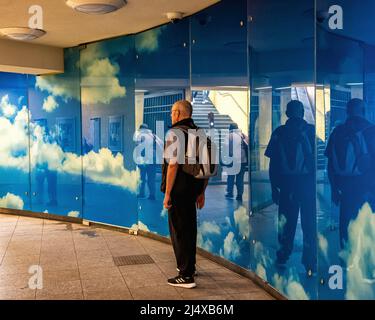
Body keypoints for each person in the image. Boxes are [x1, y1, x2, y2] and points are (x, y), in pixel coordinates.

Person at [265, 100, 317, 275]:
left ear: (287, 113)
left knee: (286, 221)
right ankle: (309, 260)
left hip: (287, 185)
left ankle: (283, 255)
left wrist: (274, 188)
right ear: (302, 112)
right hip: (307, 183)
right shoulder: (310, 131)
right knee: (309, 222)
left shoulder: (279, 132)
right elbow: (316, 161)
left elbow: (272, 164)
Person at [161, 100, 209, 289]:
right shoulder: (200, 133)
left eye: (172, 112)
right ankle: (191, 267)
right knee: (190, 229)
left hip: (178, 191)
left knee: (179, 231)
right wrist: (202, 192)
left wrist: (167, 194)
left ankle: (185, 275)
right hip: (193, 191)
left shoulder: (174, 133)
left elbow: (172, 165)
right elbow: (207, 167)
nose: (171, 115)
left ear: (178, 113)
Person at [325, 98, 375, 249]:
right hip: (368, 185)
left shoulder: (337, 132)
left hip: (344, 186)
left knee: (345, 220)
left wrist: (334, 189)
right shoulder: (371, 130)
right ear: (364, 111)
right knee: (368, 221)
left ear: (347, 112)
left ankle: (346, 256)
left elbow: (330, 165)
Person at [134, 124, 162, 200]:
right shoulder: (154, 136)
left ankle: (141, 193)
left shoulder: (140, 136)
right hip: (152, 161)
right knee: (151, 178)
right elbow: (161, 145)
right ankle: (152, 195)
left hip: (143, 160)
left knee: (142, 178)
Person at [225, 123, 249, 202]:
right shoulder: (243, 135)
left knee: (231, 177)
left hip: (233, 160)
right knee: (240, 178)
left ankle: (230, 192)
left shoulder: (229, 136)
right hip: (242, 160)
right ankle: (239, 194)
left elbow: (226, 148)